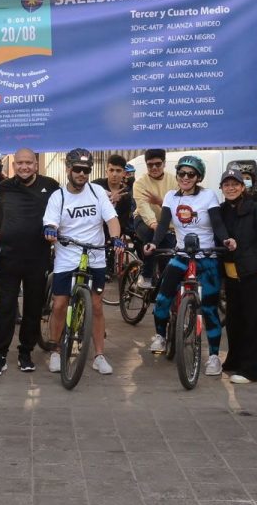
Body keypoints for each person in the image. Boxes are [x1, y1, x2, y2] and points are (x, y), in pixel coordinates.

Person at [144, 155, 235, 377]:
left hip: (206, 256)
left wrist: (225, 240)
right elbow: (164, 224)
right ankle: (161, 336)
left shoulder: (208, 196)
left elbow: (218, 224)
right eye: (182, 173)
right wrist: (153, 243)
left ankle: (214, 357)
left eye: (190, 174)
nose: (185, 177)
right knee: (163, 299)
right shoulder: (170, 197)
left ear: (198, 177)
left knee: (209, 309)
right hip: (182, 255)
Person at [0, 148, 59, 375]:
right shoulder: (5, 186)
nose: (24, 166)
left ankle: (25, 353)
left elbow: (65, 208)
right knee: (6, 307)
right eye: (20, 163)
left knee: (33, 307)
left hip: (38, 257)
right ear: (13, 166)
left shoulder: (51, 185)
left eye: (28, 163)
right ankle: (0, 355)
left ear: (36, 165)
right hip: (9, 256)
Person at [44, 149, 122, 375]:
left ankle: (99, 355)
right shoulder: (57, 196)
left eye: (86, 170)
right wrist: (50, 229)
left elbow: (112, 220)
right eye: (77, 169)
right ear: (68, 169)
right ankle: (56, 351)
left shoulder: (97, 192)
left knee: (96, 306)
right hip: (68, 257)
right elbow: (51, 223)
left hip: (95, 256)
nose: (81, 174)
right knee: (59, 304)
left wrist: (115, 238)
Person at [219, 169, 257, 384]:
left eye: (235, 184)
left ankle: (252, 370)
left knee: (254, 324)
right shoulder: (220, 212)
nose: (231, 188)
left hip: (253, 276)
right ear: (222, 188)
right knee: (234, 323)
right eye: (226, 184)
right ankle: (235, 361)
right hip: (231, 278)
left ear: (243, 187)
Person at [133, 149, 178, 288]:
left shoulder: (175, 181)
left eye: (158, 164)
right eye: (150, 165)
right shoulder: (140, 183)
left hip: (166, 224)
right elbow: (143, 207)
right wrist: (153, 224)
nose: (154, 168)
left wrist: (160, 202)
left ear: (164, 164)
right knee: (151, 234)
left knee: (168, 256)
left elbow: (177, 206)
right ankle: (146, 275)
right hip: (143, 220)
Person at [93, 154, 134, 235]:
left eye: (118, 171)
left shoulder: (126, 195)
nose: (114, 174)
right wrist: (110, 200)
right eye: (111, 170)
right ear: (106, 172)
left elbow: (123, 222)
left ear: (124, 173)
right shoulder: (96, 185)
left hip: (114, 234)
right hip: (94, 230)